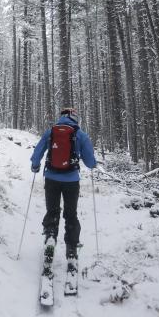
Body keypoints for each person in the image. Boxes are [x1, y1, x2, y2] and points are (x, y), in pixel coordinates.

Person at [30, 107, 97, 266]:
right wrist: (93, 164)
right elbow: (89, 162)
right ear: (74, 117)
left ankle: (50, 237)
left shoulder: (51, 132)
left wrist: (35, 165)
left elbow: (38, 151)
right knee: (71, 214)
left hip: (51, 179)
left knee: (52, 211)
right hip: (71, 181)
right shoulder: (80, 134)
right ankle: (72, 249)